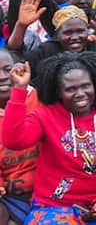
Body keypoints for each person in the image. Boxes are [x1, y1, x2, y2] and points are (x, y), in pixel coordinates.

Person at [1, 53, 96, 225]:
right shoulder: (45, 115)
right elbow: (13, 140)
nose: (80, 93)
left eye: (86, 86)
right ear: (59, 91)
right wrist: (19, 90)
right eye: (71, 89)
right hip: (51, 208)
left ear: (95, 85)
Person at [0, 49, 39, 225]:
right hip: (10, 197)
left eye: (8, 69)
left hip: (48, 190)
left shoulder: (41, 99)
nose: (2, 76)